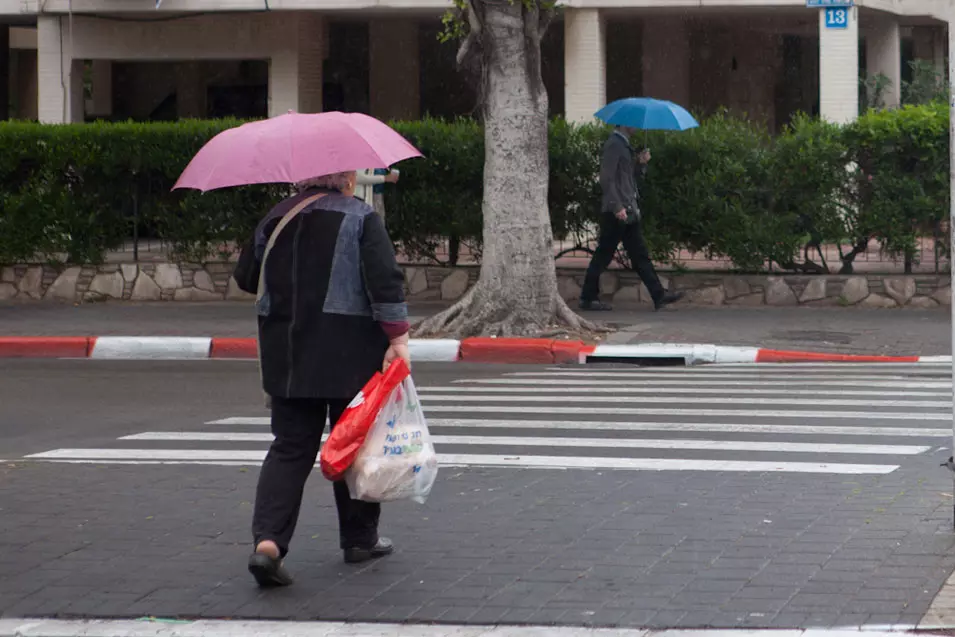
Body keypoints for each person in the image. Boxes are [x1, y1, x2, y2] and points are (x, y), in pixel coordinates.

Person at [236, 170, 410, 587]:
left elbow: (246, 277)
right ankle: (358, 539)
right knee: (353, 440)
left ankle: (268, 545)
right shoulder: (360, 218)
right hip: (349, 349)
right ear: (346, 177)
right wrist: (398, 339)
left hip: (287, 353)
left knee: (290, 447)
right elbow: (384, 282)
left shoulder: (275, 217)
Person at [579, 126, 684, 311]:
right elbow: (606, 178)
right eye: (633, 123)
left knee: (639, 254)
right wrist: (616, 206)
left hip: (628, 211)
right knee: (604, 254)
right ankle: (587, 298)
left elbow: (628, 179)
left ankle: (659, 295)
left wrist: (641, 164)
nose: (638, 126)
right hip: (618, 212)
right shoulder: (614, 144)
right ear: (624, 124)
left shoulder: (624, 145)